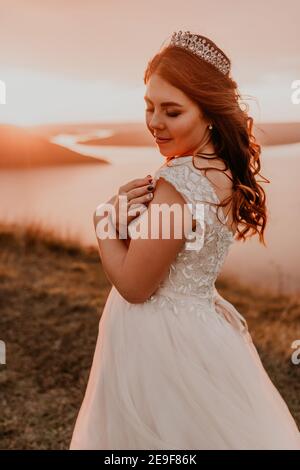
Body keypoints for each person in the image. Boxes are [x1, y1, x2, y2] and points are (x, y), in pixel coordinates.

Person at [69, 31, 300, 450]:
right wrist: (126, 224)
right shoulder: (224, 170)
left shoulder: (177, 183)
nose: (155, 122)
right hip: (202, 330)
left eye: (172, 111)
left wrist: (104, 220)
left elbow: (137, 287)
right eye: (149, 106)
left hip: (157, 339)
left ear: (209, 112)